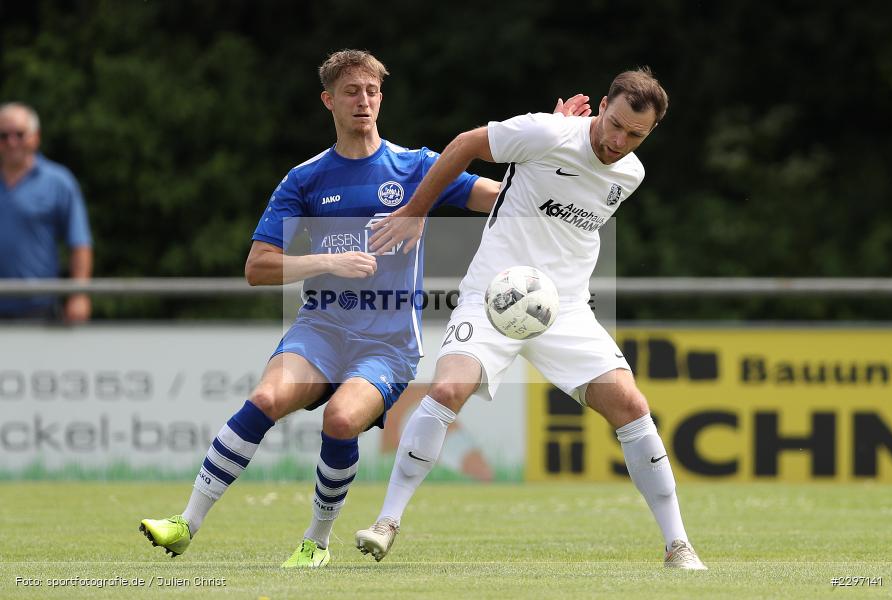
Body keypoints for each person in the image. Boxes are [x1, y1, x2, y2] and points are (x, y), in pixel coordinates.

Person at [138, 49, 590, 568]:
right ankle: (185, 523)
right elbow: (258, 267)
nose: (364, 101)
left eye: (372, 91)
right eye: (352, 92)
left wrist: (553, 147)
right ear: (328, 100)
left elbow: (502, 197)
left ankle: (316, 541)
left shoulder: (417, 166)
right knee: (265, 398)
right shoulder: (305, 179)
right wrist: (328, 260)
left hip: (388, 343)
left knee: (340, 418)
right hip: (322, 330)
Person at [357, 67, 708, 570]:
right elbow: (462, 145)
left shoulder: (630, 175)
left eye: (636, 135)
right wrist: (416, 209)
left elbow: (543, 197)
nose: (619, 141)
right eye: (615, 124)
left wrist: (543, 152)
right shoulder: (546, 132)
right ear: (604, 107)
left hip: (563, 308)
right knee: (446, 391)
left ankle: (679, 545)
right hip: (493, 295)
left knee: (631, 405)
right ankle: (386, 523)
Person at [0, 102, 93, 322]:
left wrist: (79, 295)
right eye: (3, 136)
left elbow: (80, 243)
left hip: (38, 310)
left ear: (35, 137)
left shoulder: (58, 182)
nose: (12, 142)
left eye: (19, 134)